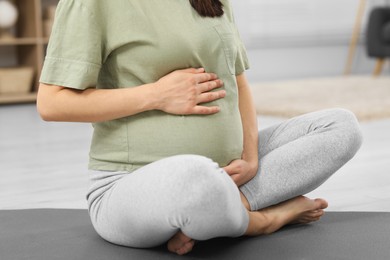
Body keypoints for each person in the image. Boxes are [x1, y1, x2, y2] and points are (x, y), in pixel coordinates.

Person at [37, 0, 363, 256]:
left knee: (340, 126)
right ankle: (264, 220)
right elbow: (52, 103)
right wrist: (156, 95)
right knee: (196, 176)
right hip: (129, 185)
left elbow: (238, 81)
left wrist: (250, 157)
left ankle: (219, 207)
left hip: (229, 171)